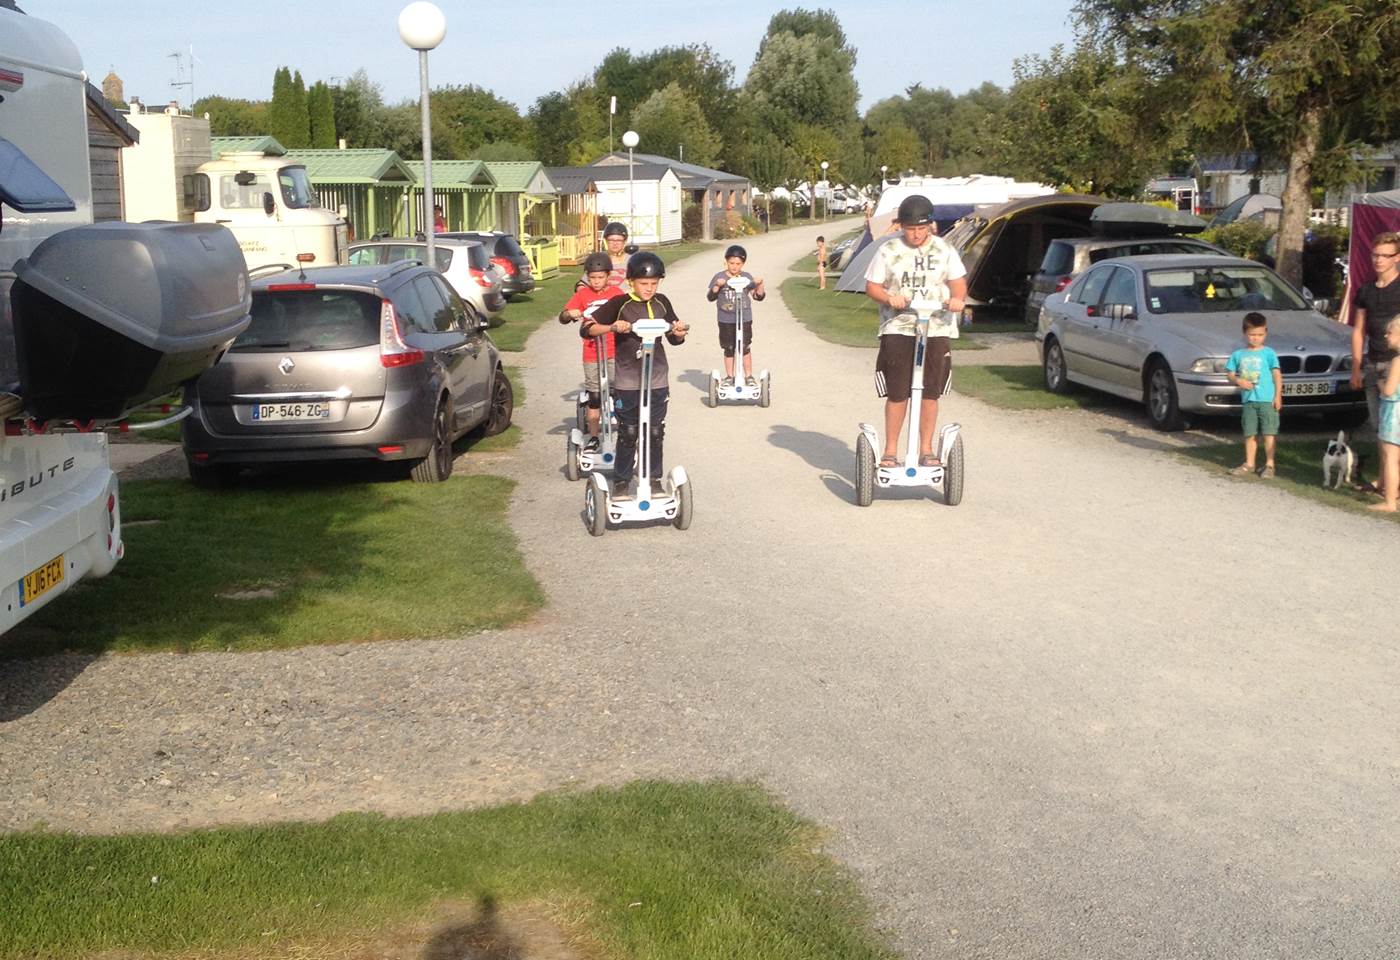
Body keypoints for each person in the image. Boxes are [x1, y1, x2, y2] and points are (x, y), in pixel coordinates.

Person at [862, 194, 967, 468]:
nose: (917, 234)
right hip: (899, 327)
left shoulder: (945, 250)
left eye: (921, 228)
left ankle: (927, 450)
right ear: (902, 227)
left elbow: (958, 282)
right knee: (898, 392)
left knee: (930, 391)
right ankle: (890, 451)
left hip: (936, 327)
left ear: (930, 225)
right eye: (911, 229)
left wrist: (957, 299)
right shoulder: (888, 250)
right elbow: (872, 286)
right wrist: (888, 298)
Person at [580, 252, 689, 497]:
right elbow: (587, 328)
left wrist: (679, 332)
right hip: (628, 381)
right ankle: (621, 482)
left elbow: (673, 336)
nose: (649, 288)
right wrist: (611, 327)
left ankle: (653, 479)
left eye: (654, 283)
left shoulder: (662, 302)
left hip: (657, 379)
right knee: (629, 432)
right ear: (631, 281)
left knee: (655, 431)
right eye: (643, 284)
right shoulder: (620, 303)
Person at [1349, 230, 1400, 495]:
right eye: (1375, 255)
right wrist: (1356, 366)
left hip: (1397, 367)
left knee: (1395, 427)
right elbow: (1358, 330)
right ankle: (1384, 481)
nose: (1378, 260)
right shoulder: (1366, 290)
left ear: (1397, 258)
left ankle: (1392, 484)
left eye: (1385, 255)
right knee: (1380, 427)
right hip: (1373, 362)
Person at [558, 251, 624, 449]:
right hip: (591, 352)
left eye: (600, 277)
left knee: (618, 392)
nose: (596, 281)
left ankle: (623, 433)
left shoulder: (617, 294)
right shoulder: (582, 295)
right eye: (592, 277)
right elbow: (562, 317)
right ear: (587, 277)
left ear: (608, 276)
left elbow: (629, 312)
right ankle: (594, 437)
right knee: (594, 396)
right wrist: (570, 314)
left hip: (614, 350)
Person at [1225, 312, 1283, 479]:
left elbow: (1277, 374)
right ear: (1245, 333)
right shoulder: (1238, 354)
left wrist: (1277, 395)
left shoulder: (1269, 353)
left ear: (1265, 333)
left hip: (1267, 399)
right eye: (1252, 334)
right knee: (1250, 433)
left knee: (1268, 432)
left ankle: (1270, 464)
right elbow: (1229, 373)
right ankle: (1249, 463)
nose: (1256, 338)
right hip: (1249, 399)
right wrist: (1238, 381)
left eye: (1260, 335)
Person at [706, 244, 766, 388]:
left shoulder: (746, 277)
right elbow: (710, 297)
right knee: (729, 347)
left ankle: (749, 376)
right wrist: (717, 286)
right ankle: (729, 377)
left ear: (743, 264)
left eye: (738, 264)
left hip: (744, 318)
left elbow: (758, 296)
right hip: (726, 319)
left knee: (744, 346)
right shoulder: (719, 277)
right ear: (726, 262)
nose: (734, 266)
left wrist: (760, 284)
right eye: (731, 263)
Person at [1369, 316, 1400, 511]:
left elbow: (1389, 390)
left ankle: (1390, 501)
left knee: (1390, 457)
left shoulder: (1397, 361)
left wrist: (1380, 383)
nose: (1386, 336)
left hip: (1395, 413)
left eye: (1390, 333)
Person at [577, 221, 630, 290]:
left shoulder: (633, 260)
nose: (615, 243)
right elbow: (583, 283)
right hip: (603, 299)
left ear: (624, 242)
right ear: (606, 241)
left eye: (619, 240)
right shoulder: (598, 258)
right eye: (611, 240)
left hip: (625, 299)